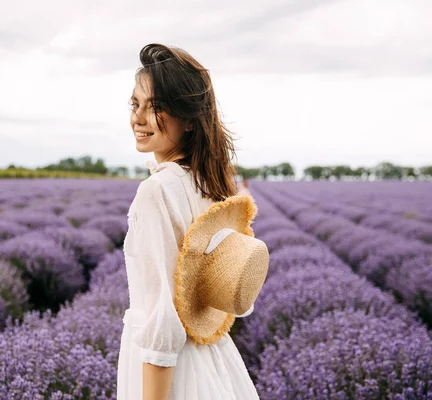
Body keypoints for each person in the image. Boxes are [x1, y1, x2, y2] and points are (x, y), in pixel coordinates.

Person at [117, 43, 260, 399]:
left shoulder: (156, 191)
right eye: (136, 104)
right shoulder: (213, 184)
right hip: (216, 359)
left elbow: (161, 321)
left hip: (171, 375)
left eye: (157, 107)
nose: (138, 117)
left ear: (188, 118)